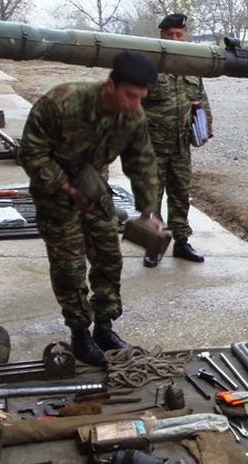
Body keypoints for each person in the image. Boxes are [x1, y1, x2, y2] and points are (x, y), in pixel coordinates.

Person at [19, 51, 163, 367]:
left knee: (109, 259)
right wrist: (64, 184)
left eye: (141, 98)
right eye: (130, 95)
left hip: (95, 190)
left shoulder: (133, 115)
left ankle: (104, 328)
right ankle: (80, 334)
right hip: (55, 194)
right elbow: (31, 152)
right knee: (70, 269)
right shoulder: (62, 103)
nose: (134, 104)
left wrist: (149, 210)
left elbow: (142, 162)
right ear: (110, 85)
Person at [139, 13, 211, 267]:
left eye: (179, 34)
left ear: (185, 36)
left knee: (180, 194)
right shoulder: (148, 66)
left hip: (181, 145)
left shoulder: (191, 67)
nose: (175, 39)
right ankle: (153, 244)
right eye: (170, 35)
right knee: (152, 197)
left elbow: (200, 101)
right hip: (153, 146)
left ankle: (182, 242)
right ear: (161, 36)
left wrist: (205, 130)